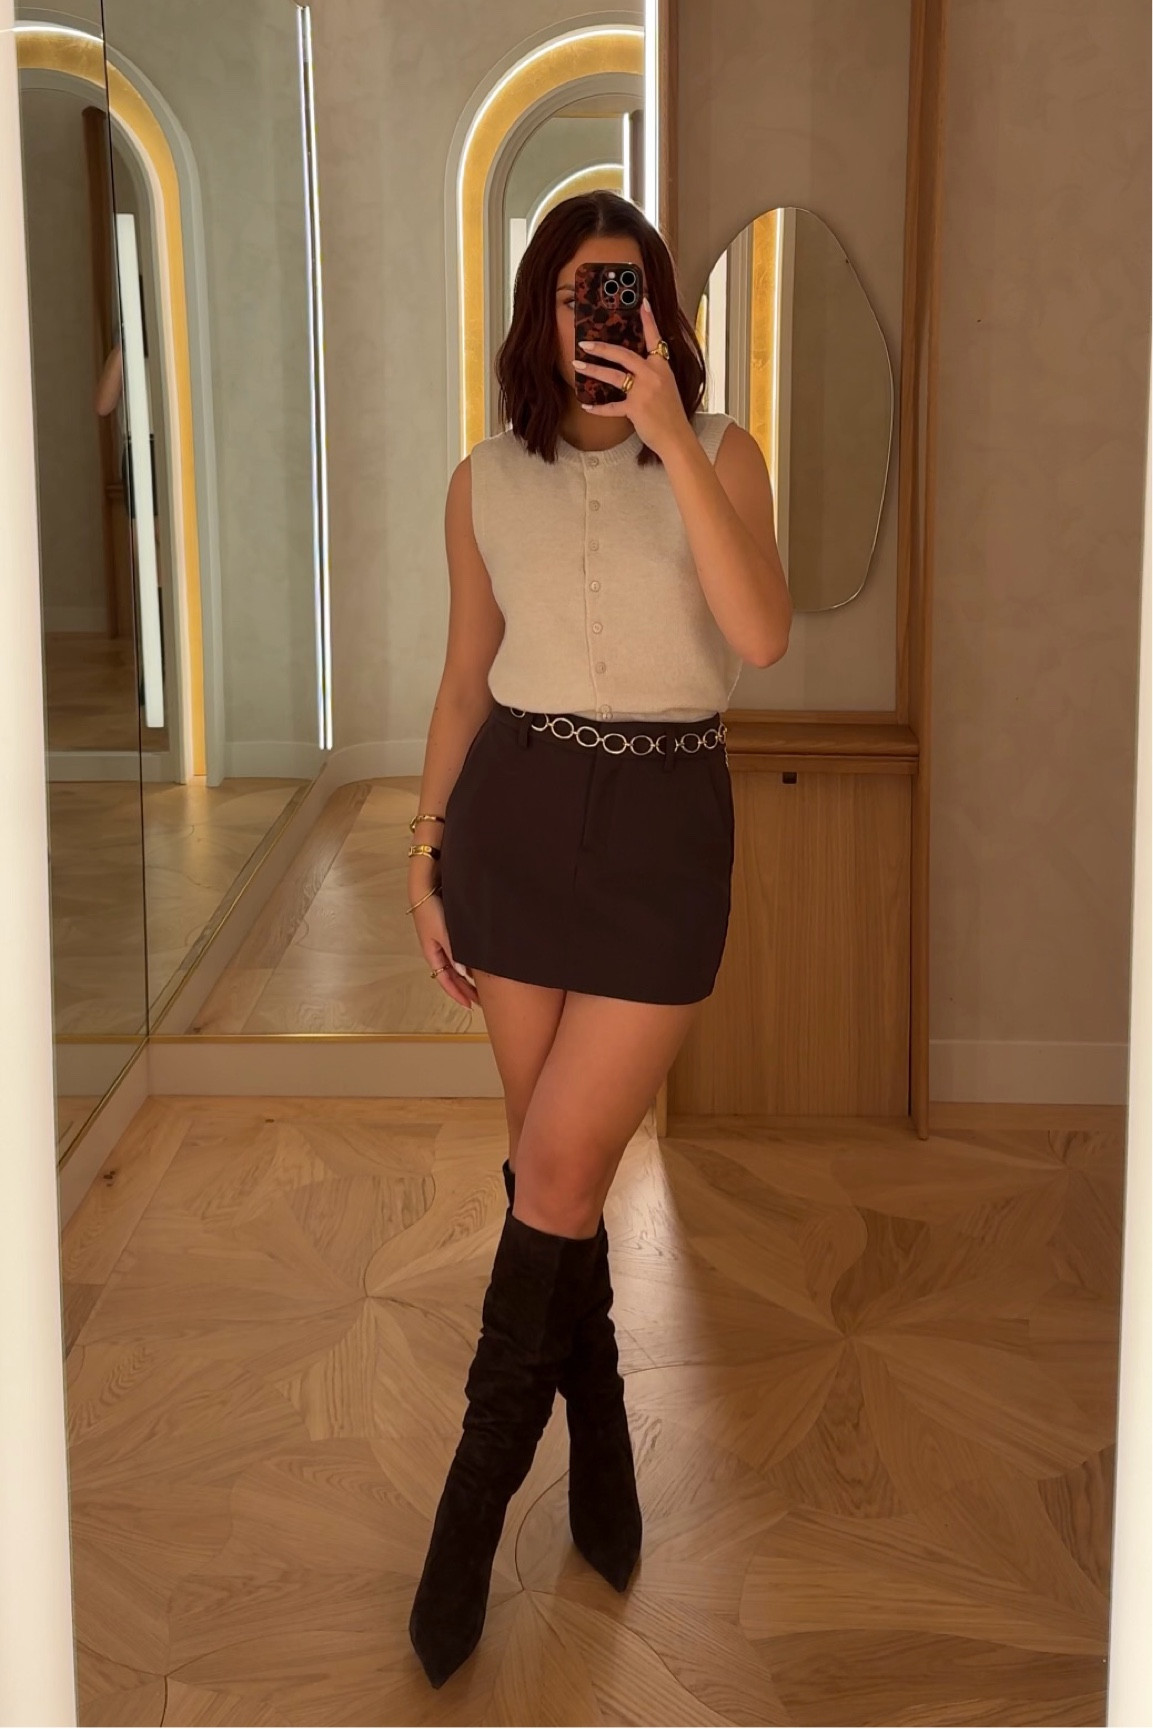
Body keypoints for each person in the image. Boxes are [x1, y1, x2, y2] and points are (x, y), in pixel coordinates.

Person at [406, 189, 791, 1688]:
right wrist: (426, 851)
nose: (600, 315)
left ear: (659, 312)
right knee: (547, 1180)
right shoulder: (481, 481)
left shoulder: (724, 452)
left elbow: (758, 636)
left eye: (624, 290)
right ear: (540, 310)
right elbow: (464, 679)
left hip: (661, 835)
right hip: (512, 817)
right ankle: (607, 1448)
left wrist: (675, 440)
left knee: (558, 1170)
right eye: (577, 292)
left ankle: (465, 1518)